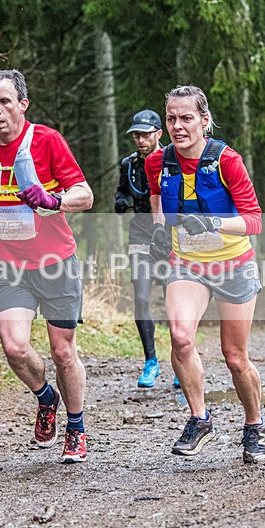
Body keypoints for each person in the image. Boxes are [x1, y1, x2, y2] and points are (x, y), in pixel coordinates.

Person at [0, 69, 94, 463]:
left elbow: (85, 195)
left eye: (4, 102)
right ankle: (46, 397)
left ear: (22, 104)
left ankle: (77, 427)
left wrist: (54, 202)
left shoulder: (47, 141)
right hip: (9, 263)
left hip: (55, 262)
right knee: (15, 348)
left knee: (63, 352)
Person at [145, 85, 265, 463]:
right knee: (181, 338)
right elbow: (158, 202)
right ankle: (200, 419)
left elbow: (254, 221)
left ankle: (254, 426)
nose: (178, 126)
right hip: (188, 265)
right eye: (171, 119)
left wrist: (212, 222)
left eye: (186, 118)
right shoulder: (157, 162)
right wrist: (158, 230)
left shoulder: (227, 160)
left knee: (234, 357)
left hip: (234, 264)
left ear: (204, 120)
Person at [114, 110, 171, 388]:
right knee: (141, 296)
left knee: (174, 300)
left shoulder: (172, 160)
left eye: (145, 134)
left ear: (159, 134)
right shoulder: (128, 164)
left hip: (169, 233)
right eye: (136, 135)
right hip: (140, 232)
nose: (140, 140)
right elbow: (122, 190)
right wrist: (121, 200)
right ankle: (151, 361)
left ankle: (182, 360)